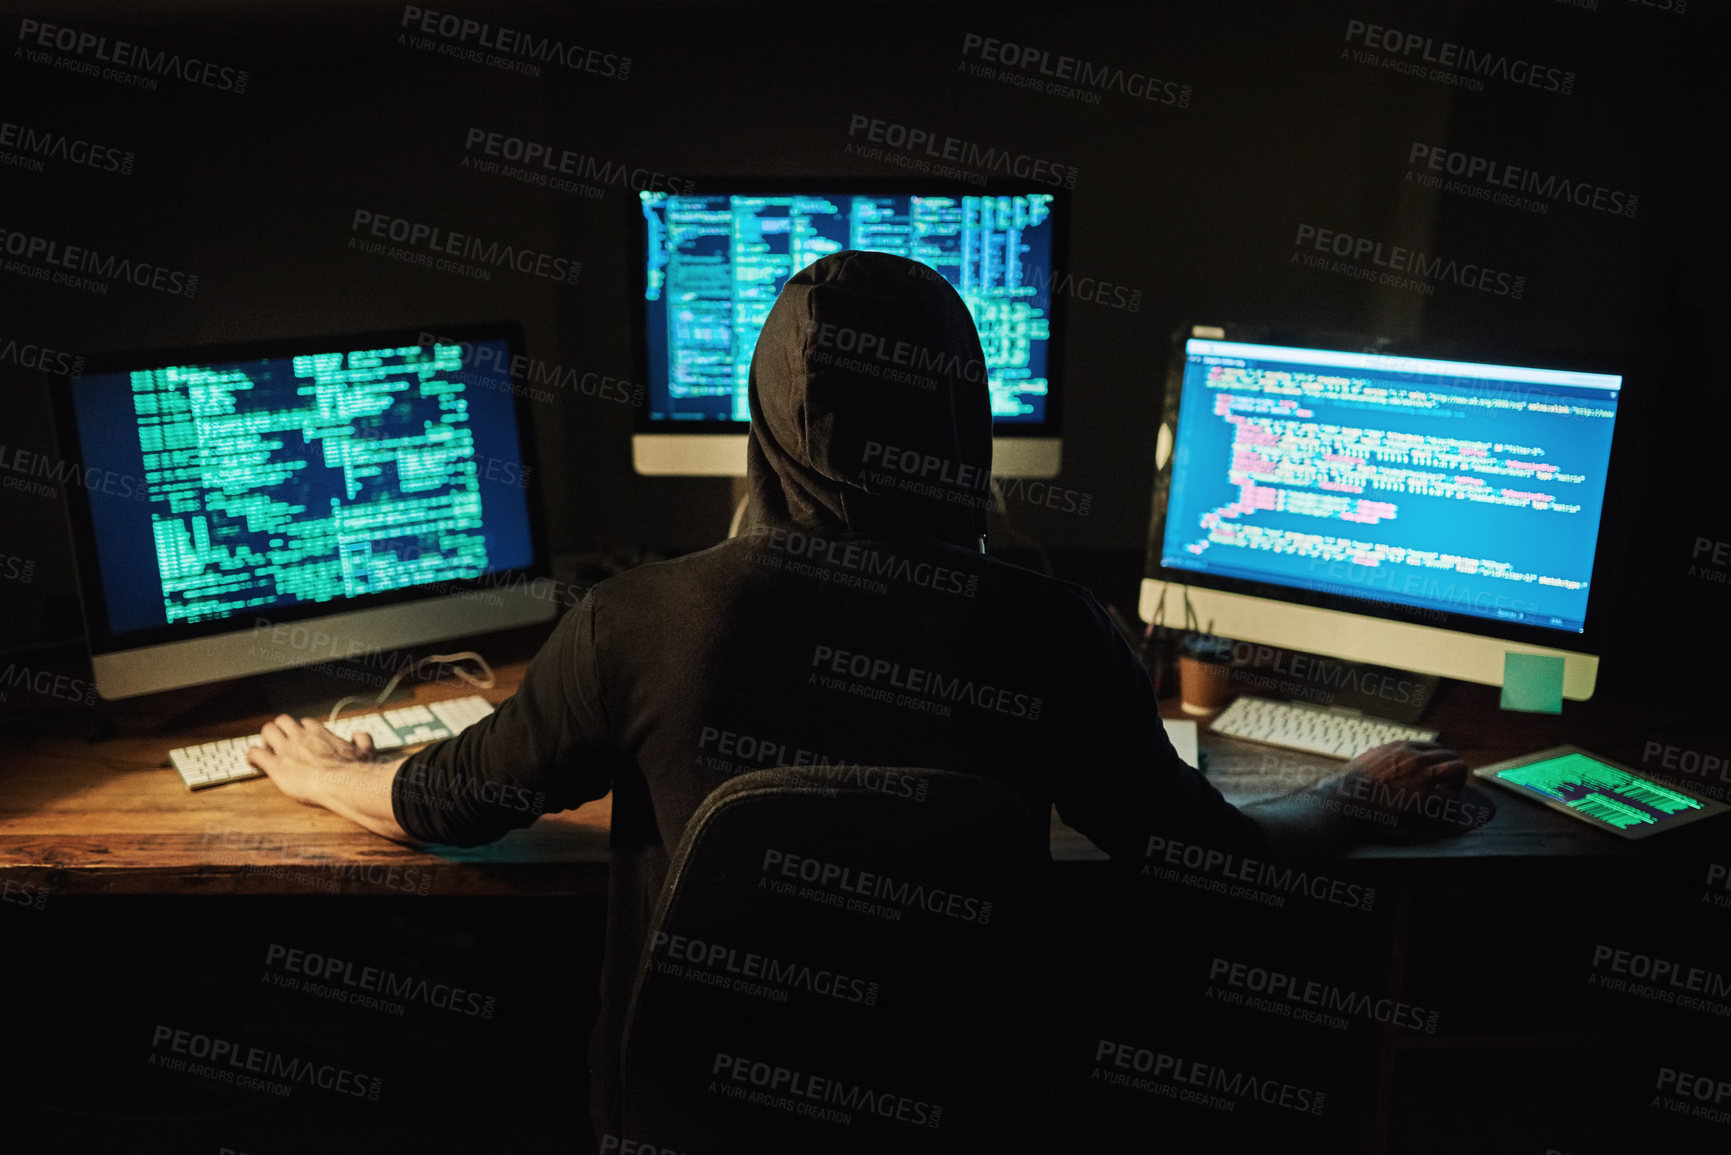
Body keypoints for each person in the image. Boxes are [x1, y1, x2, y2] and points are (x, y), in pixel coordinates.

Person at [247, 249, 1467, 1135]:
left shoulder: (635, 619)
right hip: (979, 1100)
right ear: (962, 414)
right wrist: (1355, 798)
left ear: (763, 422)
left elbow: (450, 804)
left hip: (687, 1108)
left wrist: (323, 771)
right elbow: (1221, 869)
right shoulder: (1055, 632)